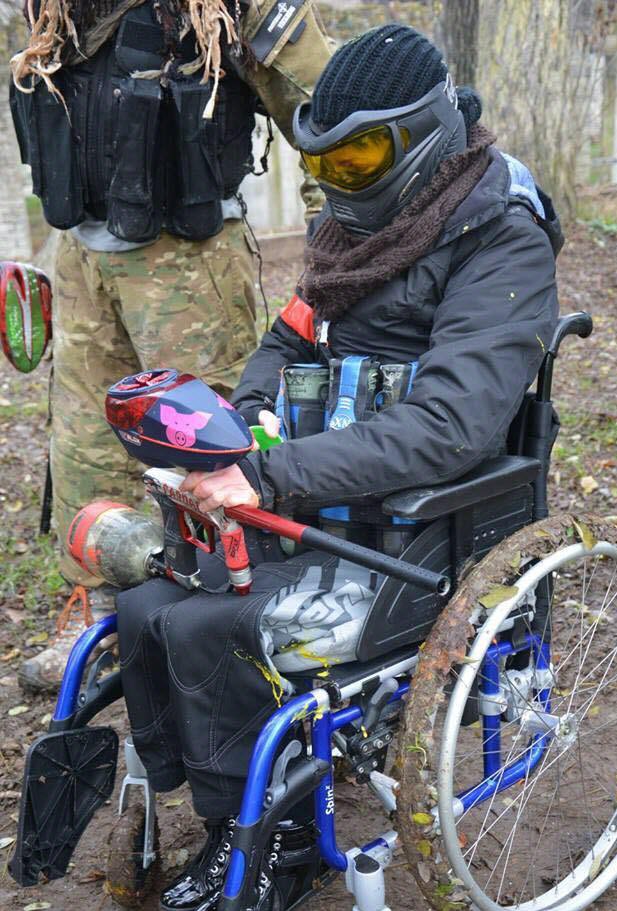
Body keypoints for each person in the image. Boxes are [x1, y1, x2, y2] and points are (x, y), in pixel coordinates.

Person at [116, 23, 562, 911]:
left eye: (360, 156)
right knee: (147, 603)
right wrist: (237, 433)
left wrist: (271, 479)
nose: (340, 182)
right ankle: (219, 809)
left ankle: (271, 845)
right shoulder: (349, 237)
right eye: (325, 163)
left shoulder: (498, 236)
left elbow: (448, 426)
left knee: (212, 629)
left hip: (423, 525)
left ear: (424, 135)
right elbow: (283, 343)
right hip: (321, 496)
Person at [9, 0, 331, 692]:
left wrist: (336, 239)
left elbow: (320, 106)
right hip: (83, 256)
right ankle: (94, 615)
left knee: (215, 450)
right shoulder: (55, 7)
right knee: (86, 449)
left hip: (190, 263)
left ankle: (241, 620)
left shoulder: (220, 6)